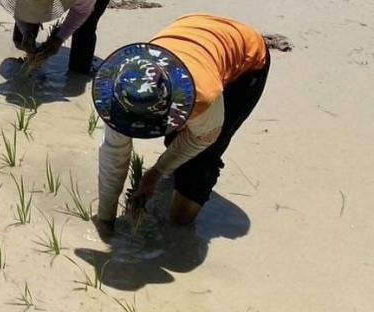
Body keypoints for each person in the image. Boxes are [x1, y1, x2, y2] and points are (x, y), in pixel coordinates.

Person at [92, 14, 270, 233]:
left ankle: (189, 186)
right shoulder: (119, 93)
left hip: (247, 61)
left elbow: (202, 138)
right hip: (191, 29)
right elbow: (114, 153)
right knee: (177, 140)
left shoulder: (203, 97)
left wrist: (155, 173)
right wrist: (105, 218)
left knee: (183, 209)